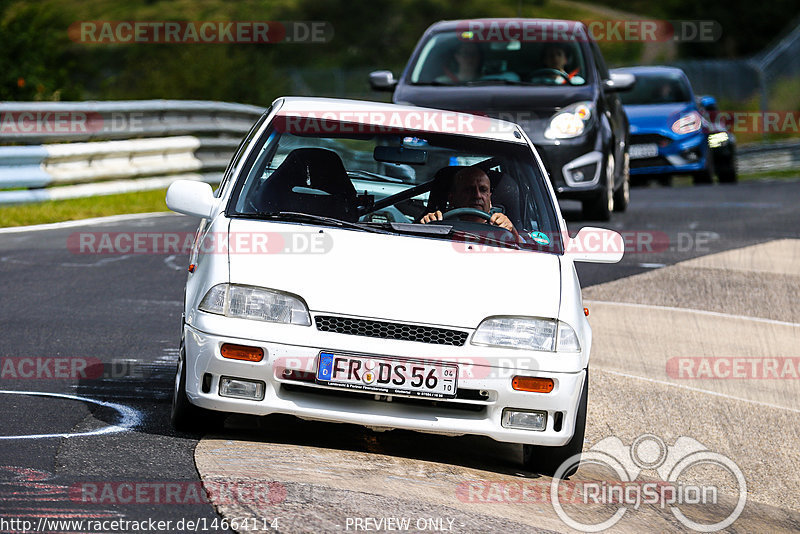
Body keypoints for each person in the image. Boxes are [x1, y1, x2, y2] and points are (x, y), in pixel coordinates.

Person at [420, 166, 517, 235]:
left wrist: (512, 232)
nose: (477, 195)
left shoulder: (502, 227)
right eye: (468, 190)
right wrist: (426, 227)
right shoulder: (438, 223)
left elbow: (524, 249)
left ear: (489, 198)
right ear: (452, 198)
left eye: (483, 190)